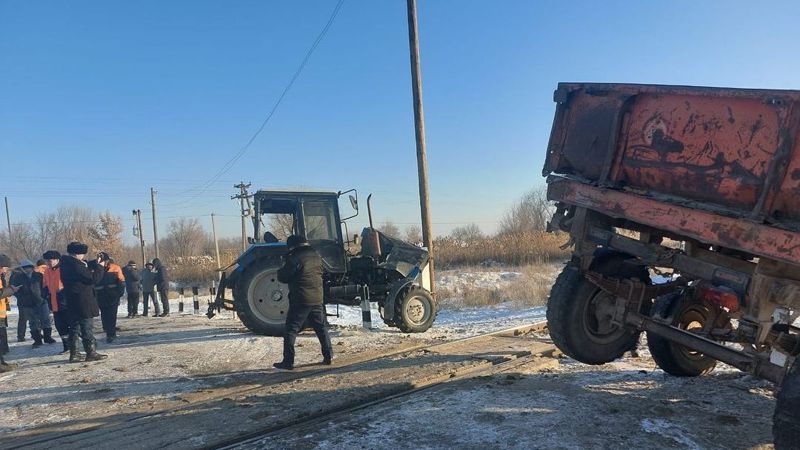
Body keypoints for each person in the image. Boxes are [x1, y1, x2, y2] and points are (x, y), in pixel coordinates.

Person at [273, 235, 332, 370]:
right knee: (321, 328)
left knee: (290, 330)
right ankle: (328, 356)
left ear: (293, 246)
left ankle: (288, 361)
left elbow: (283, 277)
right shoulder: (316, 256)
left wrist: (282, 266)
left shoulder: (294, 258)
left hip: (301, 300)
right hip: (317, 298)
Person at [60, 241, 108, 362]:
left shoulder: (66, 263)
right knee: (87, 326)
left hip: (72, 299)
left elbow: (84, 265)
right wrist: (100, 266)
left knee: (74, 327)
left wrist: (94, 262)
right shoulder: (77, 266)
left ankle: (74, 353)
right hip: (83, 299)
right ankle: (90, 352)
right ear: (78, 254)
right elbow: (92, 278)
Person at [11, 259, 54, 348]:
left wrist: (44, 296)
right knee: (32, 322)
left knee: (45, 319)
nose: (27, 269)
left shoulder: (39, 276)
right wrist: (22, 298)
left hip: (41, 301)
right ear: (22, 268)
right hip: (27, 304)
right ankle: (37, 340)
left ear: (32, 267)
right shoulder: (18, 278)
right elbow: (15, 291)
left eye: (29, 267)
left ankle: (47, 337)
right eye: (25, 268)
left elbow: (45, 286)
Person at [42, 250, 75, 355]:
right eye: (46, 261)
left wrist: (64, 293)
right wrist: (45, 293)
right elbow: (45, 285)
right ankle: (66, 346)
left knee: (72, 325)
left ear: (57, 260)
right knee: (60, 326)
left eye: (50, 260)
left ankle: (75, 347)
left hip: (66, 302)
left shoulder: (64, 269)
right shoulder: (47, 271)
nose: (47, 263)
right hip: (54, 303)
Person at [95, 252, 125, 343]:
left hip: (113, 296)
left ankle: (111, 334)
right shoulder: (95, 269)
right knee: (104, 315)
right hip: (101, 296)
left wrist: (119, 294)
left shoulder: (116, 268)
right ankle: (107, 329)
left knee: (112, 315)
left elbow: (121, 281)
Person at [0, 254, 20, 371]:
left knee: (2, 338)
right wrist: (11, 290)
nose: (7, 270)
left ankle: (2, 361)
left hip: (2, 313)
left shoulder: (1, 277)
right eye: (5, 267)